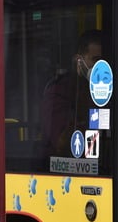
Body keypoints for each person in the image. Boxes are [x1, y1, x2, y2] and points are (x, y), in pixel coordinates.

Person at [40, 29, 103, 157]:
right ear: (78, 60)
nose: (100, 68)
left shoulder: (105, 90)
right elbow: (60, 142)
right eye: (95, 60)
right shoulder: (59, 91)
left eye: (103, 63)